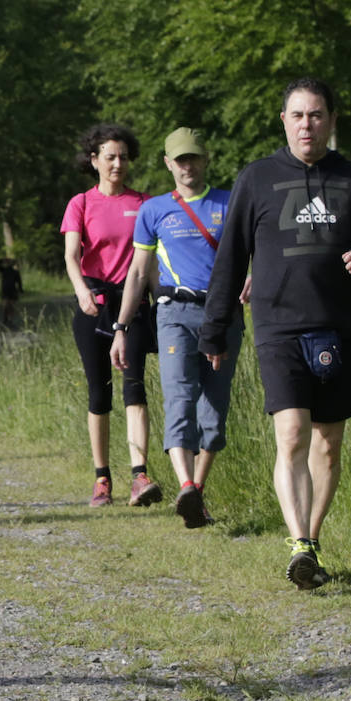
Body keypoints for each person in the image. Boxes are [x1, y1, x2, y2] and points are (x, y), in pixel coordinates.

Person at [200, 77, 351, 590]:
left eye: (316, 115)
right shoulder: (257, 179)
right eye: (297, 115)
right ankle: (300, 544)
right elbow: (230, 259)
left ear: (331, 120)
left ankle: (310, 540)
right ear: (283, 121)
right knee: (291, 433)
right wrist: (216, 330)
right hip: (277, 325)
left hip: (338, 327)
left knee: (328, 443)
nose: (306, 124)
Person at [111, 127, 243, 529]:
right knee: (180, 398)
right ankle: (186, 484)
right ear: (168, 164)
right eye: (179, 160)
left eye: (194, 158)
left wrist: (256, 277)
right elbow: (137, 273)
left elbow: (253, 250)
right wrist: (121, 326)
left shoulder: (229, 202)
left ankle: (195, 493)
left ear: (206, 159)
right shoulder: (154, 211)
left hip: (222, 316)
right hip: (173, 314)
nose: (188, 166)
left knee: (214, 411)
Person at [61, 122, 161, 509]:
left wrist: (160, 299)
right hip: (93, 303)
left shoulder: (145, 203)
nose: (117, 163)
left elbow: (150, 262)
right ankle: (102, 478)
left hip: (131, 303)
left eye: (122, 157)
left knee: (135, 385)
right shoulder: (81, 203)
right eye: (109, 157)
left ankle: (140, 474)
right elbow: (71, 256)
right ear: (94, 161)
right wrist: (81, 290)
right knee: (98, 390)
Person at [0, 257, 23, 328]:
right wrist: (2, 260)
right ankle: (5, 319)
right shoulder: (4, 270)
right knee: (5, 306)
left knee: (12, 307)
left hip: (12, 292)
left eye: (9, 263)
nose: (8, 264)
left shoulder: (15, 272)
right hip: (5, 292)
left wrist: (20, 289)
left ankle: (10, 320)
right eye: (7, 263)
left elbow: (19, 282)